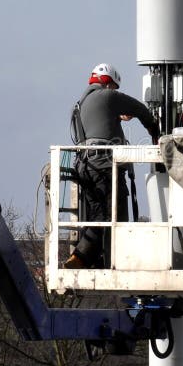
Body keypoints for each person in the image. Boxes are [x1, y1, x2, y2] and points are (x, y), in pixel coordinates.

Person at [65, 63, 160, 269]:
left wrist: (115, 116)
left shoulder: (81, 103)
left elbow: (98, 124)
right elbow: (140, 109)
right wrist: (154, 130)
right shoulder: (108, 97)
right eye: (114, 87)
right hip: (104, 166)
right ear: (108, 83)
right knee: (111, 214)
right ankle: (83, 257)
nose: (114, 91)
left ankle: (94, 259)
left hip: (86, 165)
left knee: (97, 215)